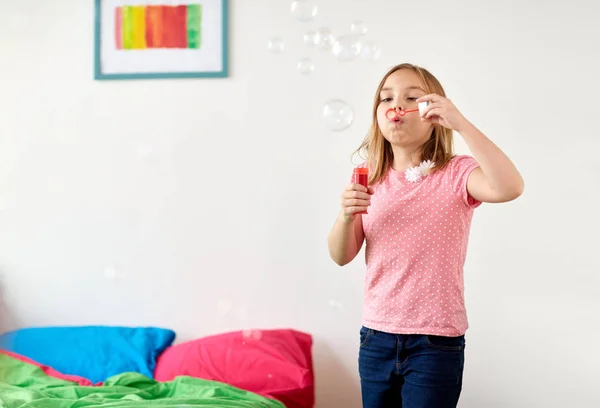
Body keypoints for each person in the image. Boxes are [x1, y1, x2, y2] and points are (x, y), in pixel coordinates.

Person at [327, 63, 524, 408]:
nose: (395, 105)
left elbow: (509, 187)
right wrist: (345, 216)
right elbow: (341, 255)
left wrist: (461, 123)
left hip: (436, 341)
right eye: (386, 97)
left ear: (433, 112)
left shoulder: (456, 172)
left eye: (411, 97)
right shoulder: (368, 176)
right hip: (376, 337)